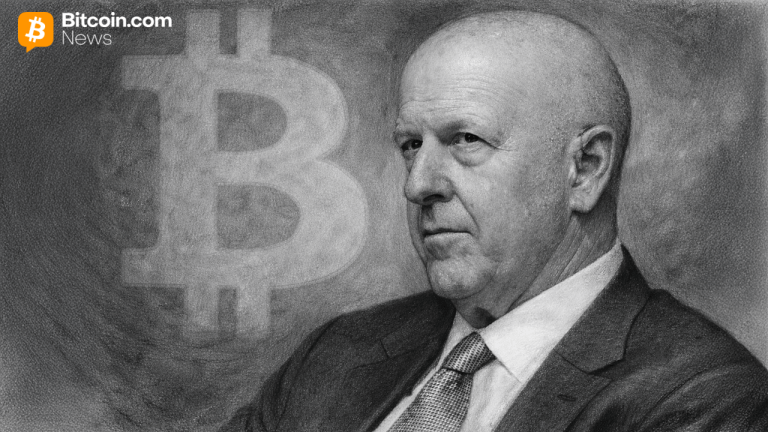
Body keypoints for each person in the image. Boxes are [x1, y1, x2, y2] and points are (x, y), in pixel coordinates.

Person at [221, 10, 768, 432]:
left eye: (466, 139)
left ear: (585, 168)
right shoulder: (336, 355)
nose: (417, 185)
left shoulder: (707, 397)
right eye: (411, 145)